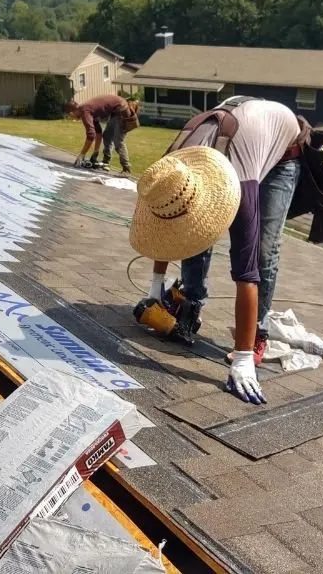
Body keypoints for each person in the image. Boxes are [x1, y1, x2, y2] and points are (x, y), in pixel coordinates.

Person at [128, 97, 304, 405]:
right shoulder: (171, 170)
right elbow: (168, 229)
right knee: (192, 232)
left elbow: (246, 276)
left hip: (281, 156)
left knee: (262, 252)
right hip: (240, 136)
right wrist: (155, 288)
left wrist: (243, 358)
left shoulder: (242, 183)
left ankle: (257, 332)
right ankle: (190, 303)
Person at [65, 95, 136, 173]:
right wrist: (95, 152)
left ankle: (126, 169)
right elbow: (98, 132)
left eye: (70, 116)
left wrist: (81, 155)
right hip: (116, 111)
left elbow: (91, 135)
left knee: (118, 141)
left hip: (122, 110)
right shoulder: (87, 110)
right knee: (107, 136)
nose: (72, 119)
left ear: (71, 113)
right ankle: (106, 162)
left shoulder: (84, 111)